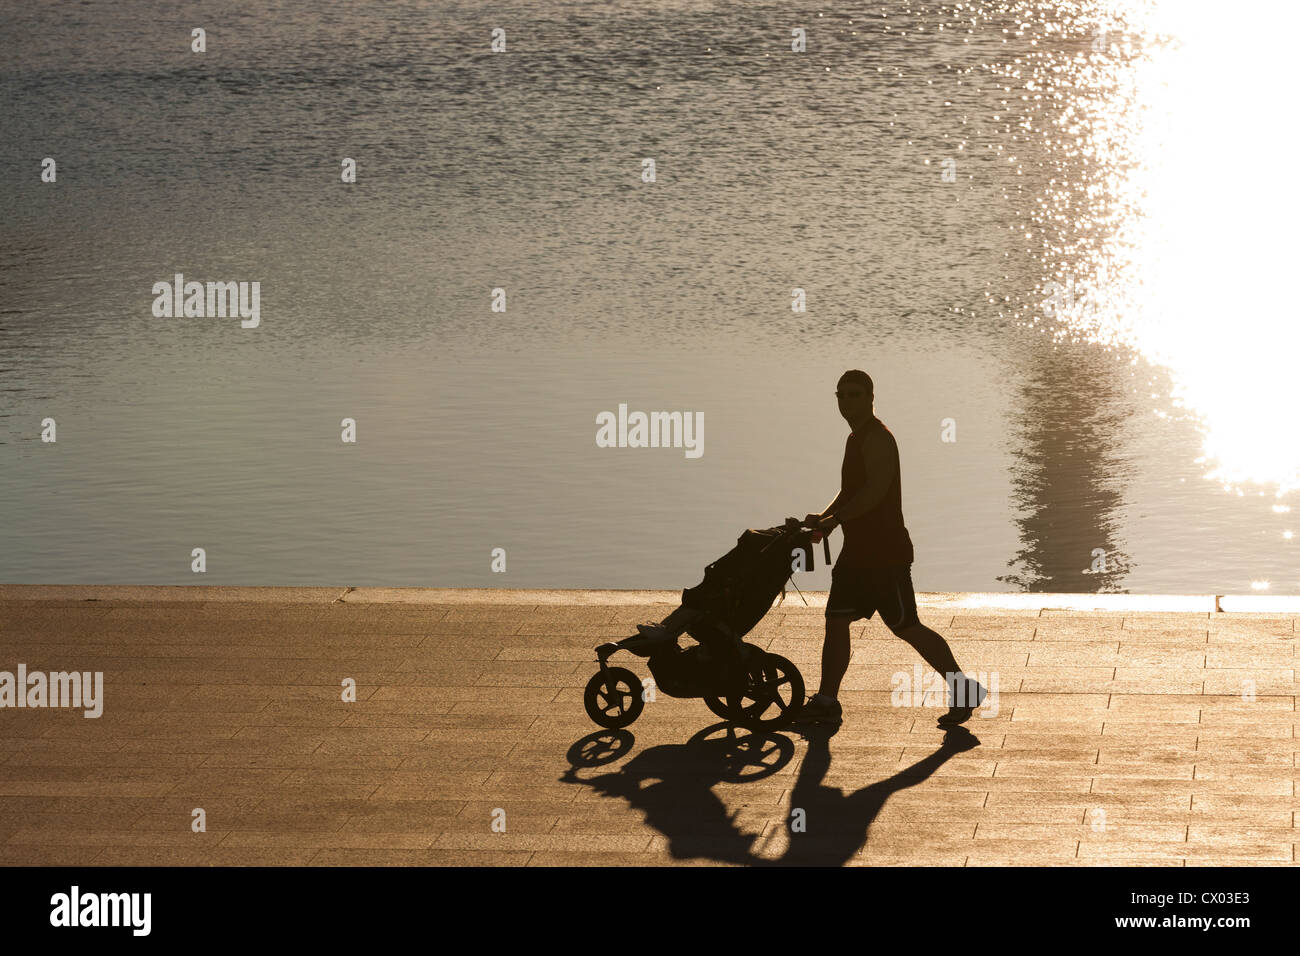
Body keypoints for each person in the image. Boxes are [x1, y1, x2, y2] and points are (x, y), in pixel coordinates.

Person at [793, 369, 985, 727]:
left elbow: (875, 491)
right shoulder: (855, 438)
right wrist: (824, 517)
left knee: (906, 626)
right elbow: (850, 491)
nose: (846, 401)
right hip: (857, 553)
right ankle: (826, 700)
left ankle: (965, 687)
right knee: (835, 620)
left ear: (870, 398)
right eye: (841, 395)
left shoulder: (878, 439)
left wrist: (834, 521)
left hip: (885, 554)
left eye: (854, 394)